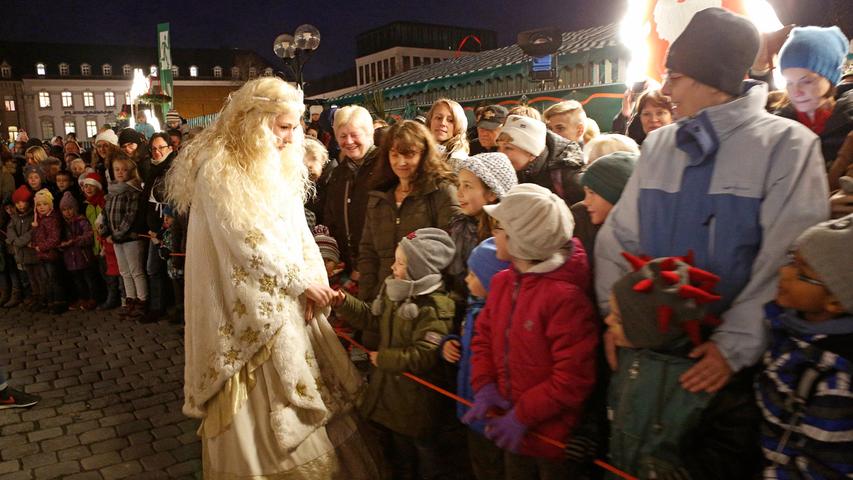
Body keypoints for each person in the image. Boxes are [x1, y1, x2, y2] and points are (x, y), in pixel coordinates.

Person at [595, 8, 829, 399]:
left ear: (714, 79)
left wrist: (733, 345)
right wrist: (617, 318)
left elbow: (786, 257)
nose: (666, 91)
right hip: (646, 348)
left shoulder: (787, 146)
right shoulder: (659, 145)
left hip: (730, 373)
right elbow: (619, 239)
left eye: (677, 77)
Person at [166, 77, 381, 478]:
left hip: (289, 300)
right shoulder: (220, 170)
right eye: (284, 127)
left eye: (295, 127)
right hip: (245, 307)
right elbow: (246, 240)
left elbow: (297, 229)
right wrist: (301, 282)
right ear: (255, 122)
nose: (292, 137)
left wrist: (313, 275)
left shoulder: (273, 165)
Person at [466, 183, 598, 477]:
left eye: (499, 228)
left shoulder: (565, 299)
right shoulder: (502, 282)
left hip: (550, 439)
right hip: (511, 429)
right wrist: (484, 385)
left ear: (521, 240)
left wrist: (522, 415)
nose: (494, 234)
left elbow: (572, 378)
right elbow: (483, 339)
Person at [604, 254, 762, 479]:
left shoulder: (708, 377)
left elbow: (731, 445)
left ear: (649, 332)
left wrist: (691, 473)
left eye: (618, 319)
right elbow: (606, 405)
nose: (607, 321)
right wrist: (589, 434)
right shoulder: (625, 354)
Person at [329, 227, 456, 479]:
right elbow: (372, 318)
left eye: (399, 263)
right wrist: (343, 302)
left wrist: (384, 358)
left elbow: (425, 354)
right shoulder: (395, 293)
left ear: (417, 269)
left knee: (426, 461)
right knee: (401, 458)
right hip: (393, 399)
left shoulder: (435, 308)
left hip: (417, 406)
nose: (392, 268)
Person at [756, 215, 853, 478]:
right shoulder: (790, 328)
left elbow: (823, 469)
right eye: (791, 260)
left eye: (801, 273)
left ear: (835, 301)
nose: (783, 272)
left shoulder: (836, 381)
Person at [356, 120, 460, 302]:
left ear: (424, 154)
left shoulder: (442, 192)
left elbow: (452, 253)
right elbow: (368, 253)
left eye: (409, 154)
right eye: (394, 154)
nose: (401, 162)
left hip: (424, 306)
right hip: (383, 301)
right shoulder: (379, 196)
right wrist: (367, 300)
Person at [440, 238, 509, 480]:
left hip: (490, 417)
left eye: (473, 274)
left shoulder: (498, 318)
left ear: (492, 280)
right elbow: (463, 340)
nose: (467, 280)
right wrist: (448, 342)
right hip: (470, 407)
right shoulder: (472, 307)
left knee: (491, 468)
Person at [776, 26, 851, 170]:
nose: (796, 92)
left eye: (807, 81)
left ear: (830, 78)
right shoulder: (780, 126)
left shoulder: (848, 122)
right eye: (789, 82)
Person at [324, 105, 386, 278]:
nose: (349, 141)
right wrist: (330, 256)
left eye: (354, 135)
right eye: (343, 136)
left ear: (369, 134)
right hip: (349, 268)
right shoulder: (338, 174)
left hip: (381, 267)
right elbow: (331, 219)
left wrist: (365, 265)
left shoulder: (386, 167)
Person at [447, 152, 516, 300]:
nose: (458, 193)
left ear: (492, 193)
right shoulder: (458, 225)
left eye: (467, 186)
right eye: (458, 185)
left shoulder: (504, 237)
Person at [497, 114, 586, 205]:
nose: (500, 154)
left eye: (508, 148)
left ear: (531, 153)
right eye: (499, 147)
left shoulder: (568, 173)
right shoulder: (513, 171)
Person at [572, 151, 638, 268]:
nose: (586, 202)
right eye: (585, 193)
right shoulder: (580, 218)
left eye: (592, 193)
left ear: (616, 194)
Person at [100, 155, 146, 320]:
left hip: (130, 238)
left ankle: (142, 300)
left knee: (136, 271)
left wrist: (118, 233)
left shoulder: (132, 191)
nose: (120, 172)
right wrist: (106, 231)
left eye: (124, 170)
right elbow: (105, 212)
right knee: (124, 271)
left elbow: (130, 215)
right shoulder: (112, 191)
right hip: (115, 238)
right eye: (117, 169)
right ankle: (130, 300)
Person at [140, 132, 177, 323]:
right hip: (154, 228)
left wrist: (163, 228)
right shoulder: (152, 171)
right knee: (153, 269)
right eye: (153, 149)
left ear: (170, 148)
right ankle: (157, 307)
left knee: (173, 272)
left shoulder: (175, 170)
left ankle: (175, 309)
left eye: (160, 148)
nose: (156, 152)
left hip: (169, 230)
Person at [80, 172, 121, 310]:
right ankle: (107, 297)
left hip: (107, 243)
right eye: (86, 186)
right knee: (103, 273)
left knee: (112, 274)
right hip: (96, 245)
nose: (89, 189)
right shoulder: (88, 206)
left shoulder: (103, 203)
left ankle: (114, 299)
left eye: (91, 186)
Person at [58, 192, 97, 311]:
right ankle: (82, 298)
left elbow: (89, 236)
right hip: (71, 259)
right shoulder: (63, 225)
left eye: (70, 209)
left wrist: (75, 241)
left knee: (89, 279)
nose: (67, 212)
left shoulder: (81, 221)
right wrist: (62, 245)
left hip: (83, 256)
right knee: (78, 281)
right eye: (64, 210)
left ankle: (93, 298)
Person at [32, 188, 65, 313]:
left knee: (54, 279)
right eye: (39, 205)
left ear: (50, 205)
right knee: (45, 279)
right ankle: (50, 301)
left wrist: (41, 247)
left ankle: (59, 301)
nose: (41, 207)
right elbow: (36, 235)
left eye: (45, 204)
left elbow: (54, 238)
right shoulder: (39, 219)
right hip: (41, 255)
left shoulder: (52, 219)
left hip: (50, 255)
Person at [5, 186, 36, 308]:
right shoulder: (14, 217)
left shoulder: (32, 217)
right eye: (17, 203)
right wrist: (15, 241)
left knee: (34, 278)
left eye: (23, 202)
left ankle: (38, 297)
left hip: (31, 254)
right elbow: (10, 230)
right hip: (19, 254)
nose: (20, 205)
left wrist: (19, 241)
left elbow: (32, 232)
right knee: (24, 279)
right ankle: (28, 298)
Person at [426, 98, 469, 166]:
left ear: (459, 125)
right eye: (439, 118)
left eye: (450, 120)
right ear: (430, 121)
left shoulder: (458, 157)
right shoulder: (421, 148)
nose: (443, 123)